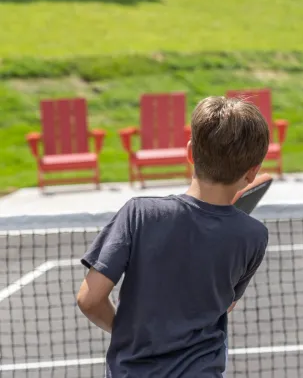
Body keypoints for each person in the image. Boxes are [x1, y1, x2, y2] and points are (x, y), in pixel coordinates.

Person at [75, 96, 272, 377]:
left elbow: (89, 300)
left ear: (191, 152)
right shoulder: (254, 236)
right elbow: (225, 304)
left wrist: (127, 332)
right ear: (252, 173)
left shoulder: (139, 214)